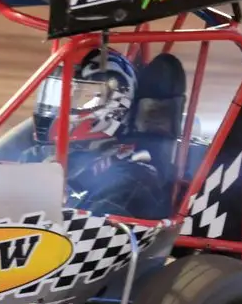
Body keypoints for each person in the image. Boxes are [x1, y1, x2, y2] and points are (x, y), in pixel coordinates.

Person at [27, 48, 171, 219]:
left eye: (83, 97)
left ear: (115, 106)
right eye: (57, 94)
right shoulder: (37, 154)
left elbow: (89, 238)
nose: (61, 106)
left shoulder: (130, 179)